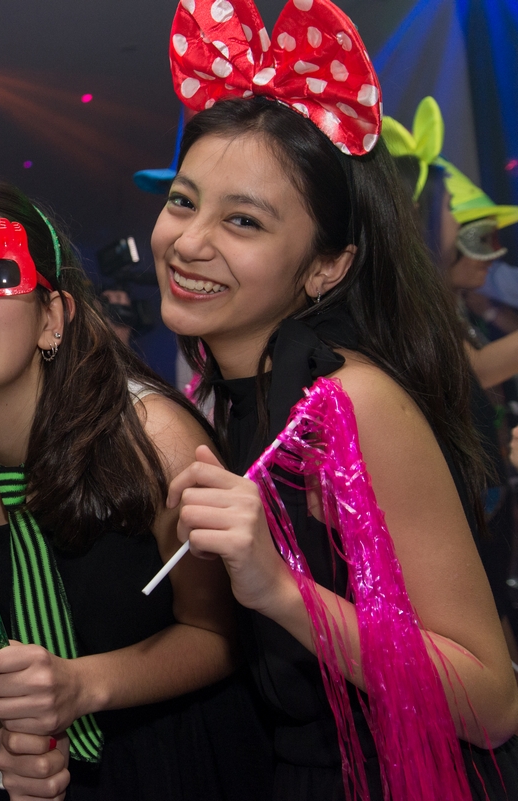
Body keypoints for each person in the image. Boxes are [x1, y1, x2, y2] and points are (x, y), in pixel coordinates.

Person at [158, 0, 518, 797]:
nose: (188, 240)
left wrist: (279, 588)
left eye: (242, 220)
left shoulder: (349, 401)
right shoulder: (248, 393)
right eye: (183, 201)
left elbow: (491, 701)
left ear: (328, 265)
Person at [0, 167, 270, 800]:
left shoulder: (148, 438)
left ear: (52, 317)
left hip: (188, 765)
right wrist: (10, 733)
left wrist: (81, 686)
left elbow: (224, 635)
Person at [384, 96, 518, 662]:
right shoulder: (407, 314)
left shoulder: (446, 311)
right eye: (460, 220)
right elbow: (474, 373)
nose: (487, 250)